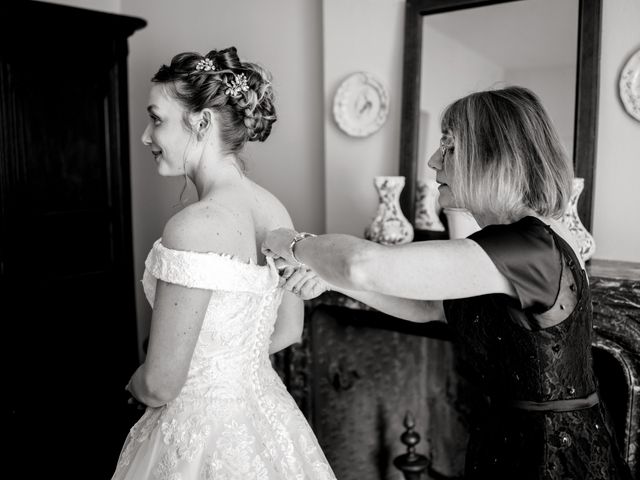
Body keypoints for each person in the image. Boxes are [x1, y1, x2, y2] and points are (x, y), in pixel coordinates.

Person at [262, 86, 632, 479]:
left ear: (495, 157)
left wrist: (293, 242)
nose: (433, 160)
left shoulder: (528, 247)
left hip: (551, 460)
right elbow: (429, 307)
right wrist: (329, 279)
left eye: (450, 147)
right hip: (507, 444)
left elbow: (360, 263)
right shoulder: (503, 245)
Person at [111, 47, 336, 480]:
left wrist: (136, 382)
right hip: (266, 414)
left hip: (200, 429)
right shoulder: (275, 211)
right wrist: (226, 367)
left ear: (202, 121)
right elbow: (288, 330)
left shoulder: (191, 227)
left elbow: (160, 384)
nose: (144, 136)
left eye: (155, 118)